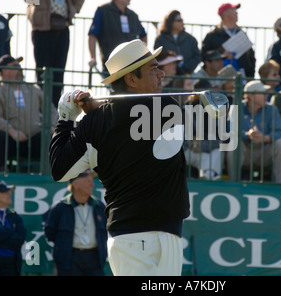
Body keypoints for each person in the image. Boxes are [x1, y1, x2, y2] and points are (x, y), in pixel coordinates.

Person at [49, 39, 190, 276]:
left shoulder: (162, 108)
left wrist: (68, 119)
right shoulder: (163, 107)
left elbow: (60, 166)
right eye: (153, 69)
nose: (161, 73)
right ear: (131, 79)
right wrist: (71, 119)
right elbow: (60, 171)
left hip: (170, 235)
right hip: (133, 239)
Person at [0, 54, 58, 172]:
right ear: (4, 71)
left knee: (51, 137)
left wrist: (51, 125)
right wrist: (11, 130)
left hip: (34, 139)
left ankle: (54, 174)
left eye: (19, 65)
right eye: (15, 66)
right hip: (11, 140)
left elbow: (51, 110)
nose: (19, 69)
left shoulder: (33, 89)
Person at [23, 0, 85, 107]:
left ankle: (55, 107)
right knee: (43, 71)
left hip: (62, 28)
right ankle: (42, 107)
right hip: (43, 29)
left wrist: (73, 10)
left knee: (59, 70)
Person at [43, 169, 107, 276]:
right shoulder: (60, 207)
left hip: (94, 259)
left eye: (92, 181)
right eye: (87, 181)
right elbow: (50, 232)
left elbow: (105, 232)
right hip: (69, 259)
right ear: (75, 184)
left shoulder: (99, 206)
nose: (92, 184)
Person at [227, 80, 281, 183]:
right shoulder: (236, 108)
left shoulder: (272, 109)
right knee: (234, 143)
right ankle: (233, 183)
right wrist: (247, 135)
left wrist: (266, 137)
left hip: (264, 152)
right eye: (263, 93)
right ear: (250, 95)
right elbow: (229, 131)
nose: (266, 95)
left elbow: (280, 132)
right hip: (245, 151)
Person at [88, 0, 146, 72]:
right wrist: (93, 58)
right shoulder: (103, 11)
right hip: (112, 64)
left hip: (132, 65)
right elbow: (92, 36)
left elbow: (143, 35)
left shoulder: (133, 15)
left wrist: (142, 55)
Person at [202, 3, 256, 78]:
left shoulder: (242, 34)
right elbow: (204, 55)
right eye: (233, 10)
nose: (236, 13)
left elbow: (251, 57)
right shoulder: (212, 35)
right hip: (220, 76)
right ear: (224, 13)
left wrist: (250, 76)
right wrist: (221, 53)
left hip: (242, 75)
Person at [184, 80, 223, 180]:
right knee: (205, 157)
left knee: (218, 151)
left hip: (207, 148)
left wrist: (203, 146)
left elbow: (219, 137)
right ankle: (210, 175)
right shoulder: (186, 108)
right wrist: (192, 144)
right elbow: (182, 136)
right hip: (190, 150)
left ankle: (209, 175)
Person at [154, 10, 201, 75]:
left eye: (182, 20)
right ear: (170, 22)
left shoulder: (191, 39)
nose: (182, 23)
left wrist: (186, 68)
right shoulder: (160, 40)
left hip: (187, 76)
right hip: (166, 77)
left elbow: (197, 56)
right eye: (179, 20)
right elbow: (157, 57)